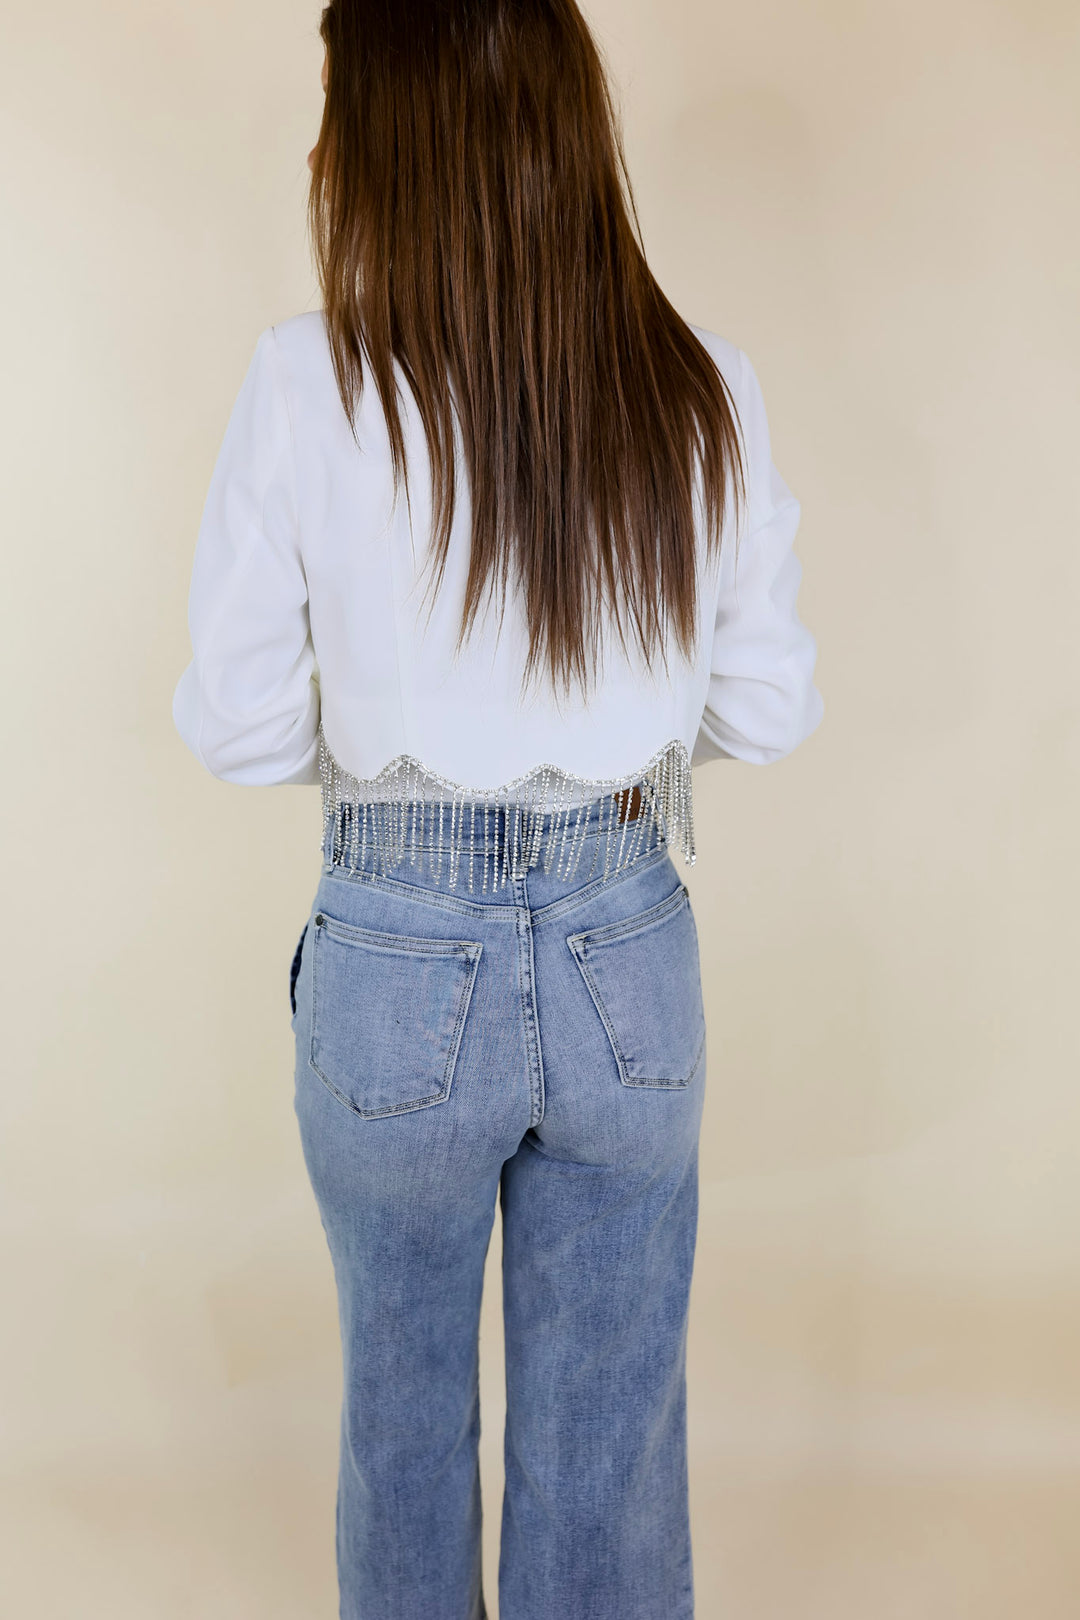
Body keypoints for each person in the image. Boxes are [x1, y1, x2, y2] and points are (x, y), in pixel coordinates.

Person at [171, 2, 823, 1615]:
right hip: (628, 953)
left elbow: (240, 727)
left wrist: (403, 769)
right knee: (607, 1446)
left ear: (385, 142)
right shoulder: (700, 385)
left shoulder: (303, 381)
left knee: (401, 1426)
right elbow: (769, 707)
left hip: (398, 963)